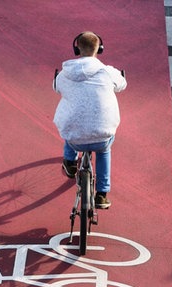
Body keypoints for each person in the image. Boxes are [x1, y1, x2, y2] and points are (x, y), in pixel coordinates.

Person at [53, 31, 127, 209]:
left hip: (75, 139)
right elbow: (123, 85)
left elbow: (56, 87)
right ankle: (101, 194)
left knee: (70, 122)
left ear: (76, 48)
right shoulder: (108, 72)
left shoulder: (64, 74)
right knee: (104, 150)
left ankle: (70, 162)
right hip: (102, 134)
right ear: (98, 49)